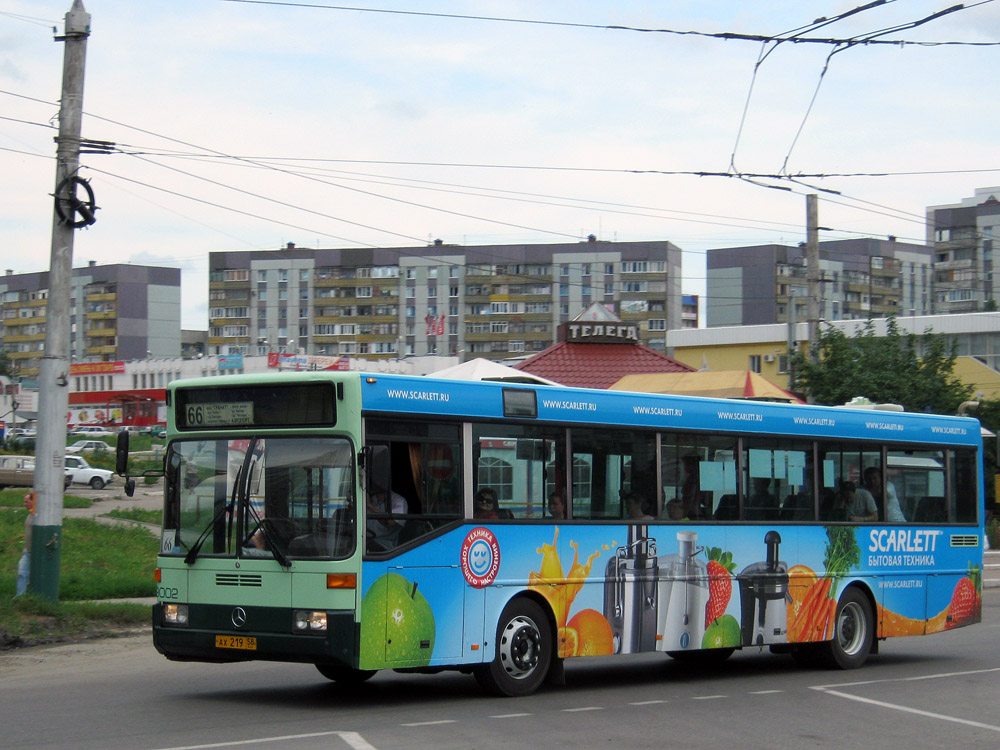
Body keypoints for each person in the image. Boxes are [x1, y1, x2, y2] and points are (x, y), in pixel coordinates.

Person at [15, 491, 36, 596]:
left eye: (26, 501)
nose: (24, 504)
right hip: (27, 551)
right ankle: (20, 597)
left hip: (35, 552)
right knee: (21, 572)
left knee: (27, 573)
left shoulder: (38, 517)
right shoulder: (30, 515)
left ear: (33, 501)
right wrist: (25, 548)